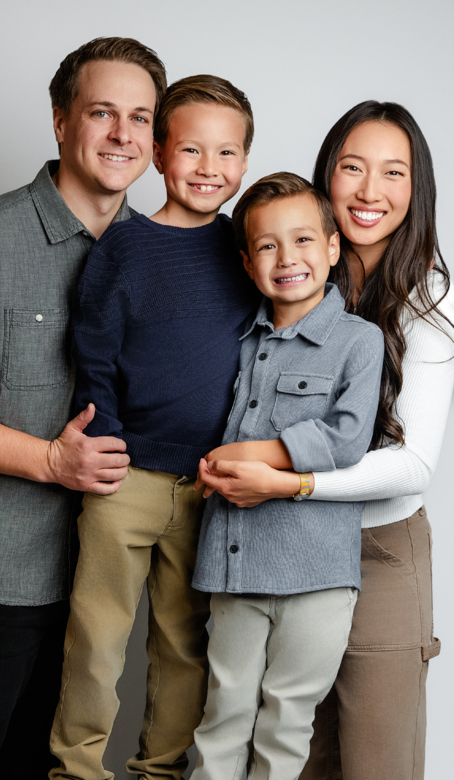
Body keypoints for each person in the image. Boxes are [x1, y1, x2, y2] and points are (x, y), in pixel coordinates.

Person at [197, 101, 454, 780]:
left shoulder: (428, 298)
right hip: (277, 540)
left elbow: (414, 465)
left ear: (417, 188)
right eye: (352, 167)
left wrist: (286, 479)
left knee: (376, 760)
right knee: (292, 751)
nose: (370, 190)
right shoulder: (294, 267)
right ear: (326, 176)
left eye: (393, 172)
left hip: (378, 547)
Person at [0, 36, 166, 780]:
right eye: (102, 112)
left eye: (140, 117)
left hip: (97, 585)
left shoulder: (159, 257)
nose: (122, 134)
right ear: (62, 121)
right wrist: (48, 461)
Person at [48, 74, 258, 780]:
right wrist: (105, 438)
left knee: (183, 642)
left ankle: (161, 770)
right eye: (191, 150)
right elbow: (93, 352)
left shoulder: (246, 251)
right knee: (96, 637)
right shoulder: (124, 248)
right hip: (125, 478)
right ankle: (75, 769)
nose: (208, 168)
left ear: (245, 162)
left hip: (209, 485)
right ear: (161, 155)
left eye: (226, 153)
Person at [190, 172, 384, 780]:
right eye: (268, 246)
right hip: (235, 565)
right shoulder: (237, 339)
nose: (287, 258)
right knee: (222, 716)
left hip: (317, 575)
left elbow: (348, 438)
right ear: (248, 264)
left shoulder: (360, 341)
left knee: (286, 723)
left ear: (333, 247)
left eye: (302, 240)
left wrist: (254, 452)